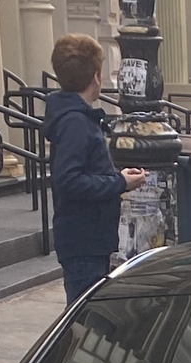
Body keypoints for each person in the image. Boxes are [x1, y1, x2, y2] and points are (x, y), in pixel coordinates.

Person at [46, 36, 149, 304]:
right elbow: (68, 180)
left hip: (87, 241)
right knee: (83, 321)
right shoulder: (76, 123)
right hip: (84, 242)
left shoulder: (77, 119)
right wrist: (119, 183)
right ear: (96, 77)